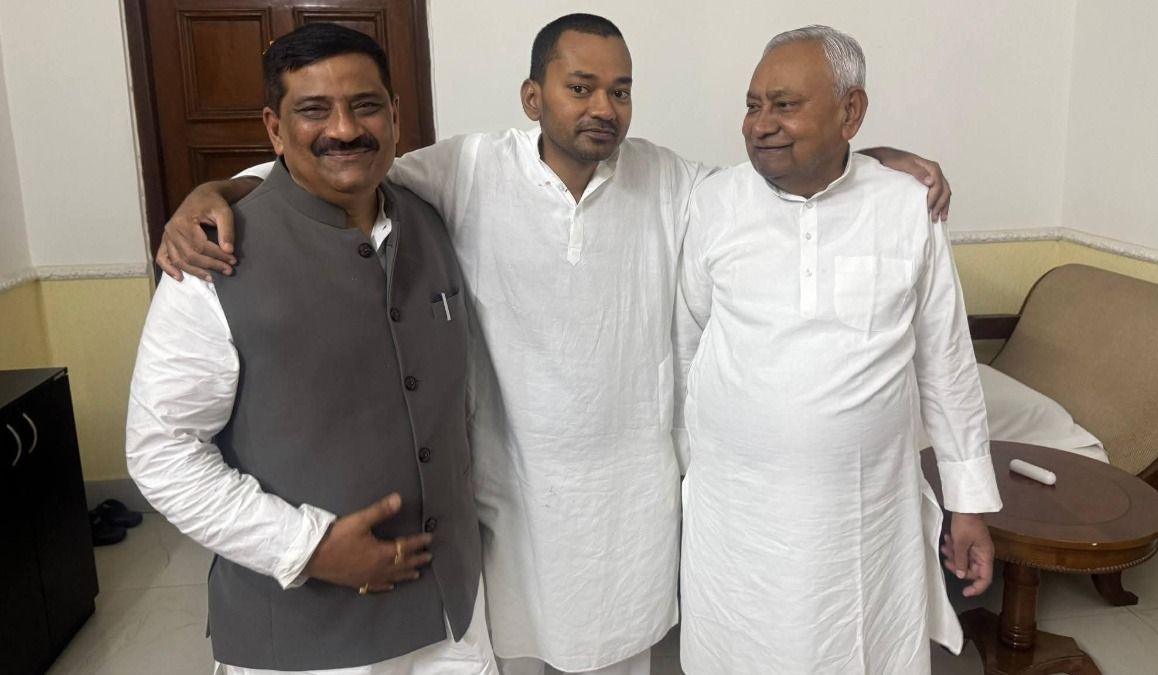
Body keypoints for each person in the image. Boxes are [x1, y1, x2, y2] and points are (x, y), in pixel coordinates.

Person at [155, 14, 954, 675]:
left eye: (620, 90)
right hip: (514, 494)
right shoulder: (468, 169)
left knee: (622, 651)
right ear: (533, 97)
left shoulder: (670, 180)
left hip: (630, 498)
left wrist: (866, 163)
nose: (603, 107)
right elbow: (345, 166)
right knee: (515, 646)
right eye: (580, 87)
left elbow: (771, 181)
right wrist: (219, 190)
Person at [125, 24, 496, 674]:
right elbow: (161, 451)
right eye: (314, 110)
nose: (345, 129)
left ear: (395, 114)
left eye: (365, 105)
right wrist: (308, 546)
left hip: (451, 619)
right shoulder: (213, 259)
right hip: (307, 637)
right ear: (274, 128)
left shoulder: (433, 219)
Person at [676, 25, 1001, 674]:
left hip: (862, 519)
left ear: (851, 112)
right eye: (752, 105)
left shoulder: (908, 207)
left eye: (785, 105)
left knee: (857, 650)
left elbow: (945, 362)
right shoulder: (713, 202)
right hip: (736, 516)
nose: (760, 125)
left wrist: (968, 504)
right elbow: (690, 336)